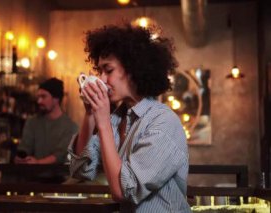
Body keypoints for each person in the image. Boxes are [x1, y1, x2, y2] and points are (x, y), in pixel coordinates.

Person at [68, 23, 191, 212]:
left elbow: (123, 191)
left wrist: (102, 122)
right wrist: (90, 114)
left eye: (108, 71)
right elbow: (81, 170)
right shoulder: (117, 119)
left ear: (133, 69)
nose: (102, 80)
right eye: (99, 71)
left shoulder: (163, 123)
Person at [14, 78, 78, 164]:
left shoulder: (70, 126)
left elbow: (59, 155)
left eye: (43, 97)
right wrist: (20, 158)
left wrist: (38, 162)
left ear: (56, 99)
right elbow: (25, 148)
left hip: (58, 176)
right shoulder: (32, 122)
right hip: (31, 175)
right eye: (38, 97)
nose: (39, 101)